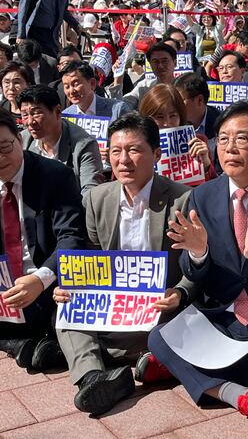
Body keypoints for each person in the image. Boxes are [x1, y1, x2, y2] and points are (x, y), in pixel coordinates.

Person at [145, 101, 248, 431]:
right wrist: (198, 253)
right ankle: (239, 396)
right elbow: (194, 272)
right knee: (158, 337)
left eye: (242, 138)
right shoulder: (203, 196)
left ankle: (183, 370)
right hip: (221, 315)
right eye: (223, 139)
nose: (230, 148)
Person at [52, 112, 194, 415]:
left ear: (156, 154)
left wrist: (179, 292)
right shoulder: (97, 198)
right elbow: (91, 259)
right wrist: (72, 285)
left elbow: (198, 262)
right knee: (65, 310)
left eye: (134, 150)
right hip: (115, 311)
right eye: (116, 151)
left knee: (187, 324)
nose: (124, 160)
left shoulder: (183, 199)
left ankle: (133, 360)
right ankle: (94, 379)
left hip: (161, 312)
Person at [0, 107, 85, 371]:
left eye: (4, 147)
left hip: (45, 285)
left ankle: (32, 341)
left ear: (19, 137)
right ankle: (19, 345)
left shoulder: (55, 175)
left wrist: (40, 279)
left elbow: (71, 237)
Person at [18, 85, 104, 196]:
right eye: (25, 115)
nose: (30, 122)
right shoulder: (22, 141)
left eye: (36, 113)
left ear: (58, 111)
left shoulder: (84, 145)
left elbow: (90, 193)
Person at [139, 84, 217, 182]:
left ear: (181, 116)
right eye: (159, 117)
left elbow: (214, 186)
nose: (167, 123)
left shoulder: (197, 142)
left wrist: (206, 164)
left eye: (173, 116)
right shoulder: (137, 146)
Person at [16, 0, 82, 57]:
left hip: (52, 34)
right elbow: (23, 10)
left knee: (52, 61)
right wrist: (21, 35)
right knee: (33, 61)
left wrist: (76, 25)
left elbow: (64, 11)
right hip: (33, 32)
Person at [109, 42, 177, 110]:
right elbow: (120, 109)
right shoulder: (143, 87)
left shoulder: (182, 85)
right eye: (155, 62)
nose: (160, 66)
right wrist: (118, 81)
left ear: (175, 63)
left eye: (164, 61)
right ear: (150, 64)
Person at [61, 61, 130, 122]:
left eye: (76, 84)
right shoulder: (66, 117)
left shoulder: (117, 110)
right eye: (67, 86)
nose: (71, 91)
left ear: (92, 83)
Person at [174, 72, 221, 139]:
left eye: (180, 101)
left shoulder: (222, 123)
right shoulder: (172, 122)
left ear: (200, 100)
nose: (175, 105)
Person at [0, 61, 35, 130]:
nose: (11, 87)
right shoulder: (1, 109)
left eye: (16, 82)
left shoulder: (37, 109)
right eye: (6, 82)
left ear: (29, 84)